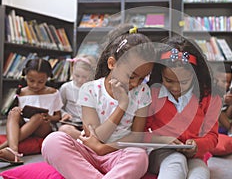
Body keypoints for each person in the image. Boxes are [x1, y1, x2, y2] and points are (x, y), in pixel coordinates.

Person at [41, 25, 155, 179]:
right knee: (52, 142)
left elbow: (136, 136)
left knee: (140, 156)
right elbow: (96, 136)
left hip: (119, 153)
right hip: (88, 151)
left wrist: (103, 149)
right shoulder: (90, 89)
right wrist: (122, 106)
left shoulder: (142, 91)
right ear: (112, 64)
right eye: (132, 75)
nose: (135, 83)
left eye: (142, 78)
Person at [145, 36, 222, 179]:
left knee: (200, 174)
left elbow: (212, 136)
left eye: (184, 81)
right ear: (160, 73)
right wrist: (161, 140)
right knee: (176, 162)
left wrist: (197, 146)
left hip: (194, 155)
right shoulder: (151, 94)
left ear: (195, 75)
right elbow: (140, 132)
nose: (176, 87)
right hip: (159, 151)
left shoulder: (209, 97)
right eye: (169, 81)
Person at [0, 58, 63, 165]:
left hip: (43, 128)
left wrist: (50, 117)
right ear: (25, 76)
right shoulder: (21, 92)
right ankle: (14, 152)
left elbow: (58, 116)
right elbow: (19, 117)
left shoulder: (54, 92)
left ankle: (5, 147)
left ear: (47, 78)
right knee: (13, 112)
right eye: (31, 80)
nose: (35, 85)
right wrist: (17, 110)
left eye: (41, 82)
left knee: (38, 117)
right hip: (25, 125)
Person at [58, 54, 96, 139]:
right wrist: (64, 114)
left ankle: (86, 139)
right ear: (72, 71)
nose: (80, 80)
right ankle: (87, 140)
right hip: (72, 123)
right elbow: (58, 108)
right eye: (77, 76)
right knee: (64, 129)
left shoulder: (94, 88)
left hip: (89, 124)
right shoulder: (66, 87)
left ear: (91, 75)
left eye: (84, 77)